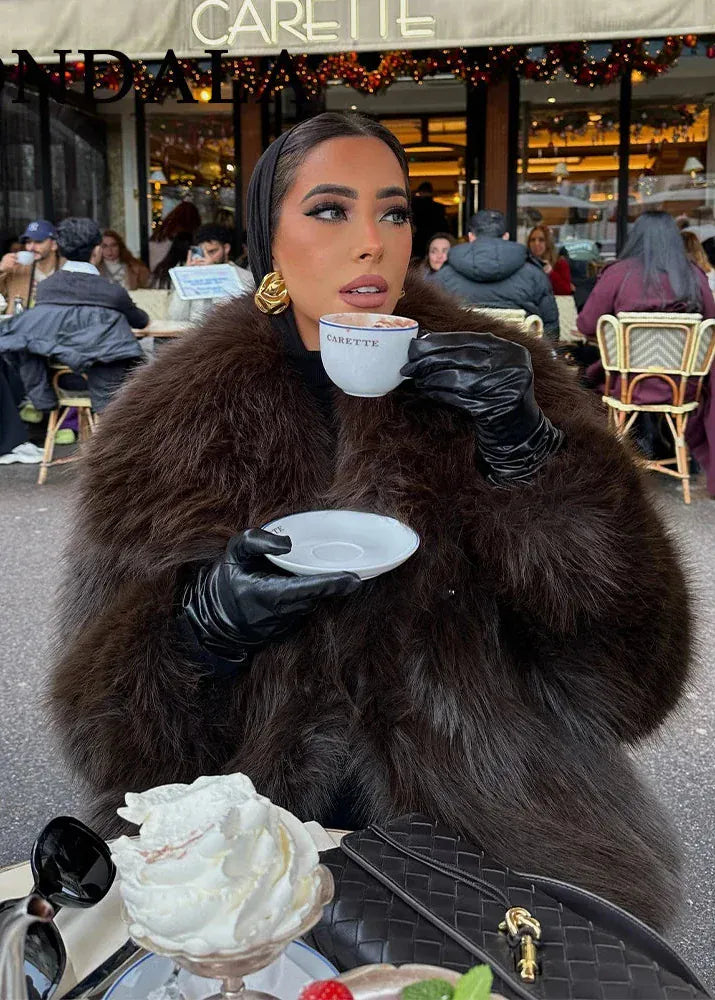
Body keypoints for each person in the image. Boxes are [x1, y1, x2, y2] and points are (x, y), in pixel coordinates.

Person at [51, 113, 690, 932]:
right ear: (266, 239)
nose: (372, 242)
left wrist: (530, 458)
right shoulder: (170, 419)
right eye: (329, 210)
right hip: (238, 849)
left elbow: (632, 685)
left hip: (506, 827)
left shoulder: (505, 379)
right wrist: (195, 634)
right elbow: (106, 743)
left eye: (392, 212)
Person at [577, 211, 715, 475]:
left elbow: (585, 325)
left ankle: (628, 447)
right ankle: (672, 447)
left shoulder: (618, 273)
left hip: (627, 384)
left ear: (635, 237)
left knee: (588, 369)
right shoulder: (693, 275)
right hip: (682, 387)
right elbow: (711, 322)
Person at [0, 218, 149, 414]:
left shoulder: (46, 289)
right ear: (97, 251)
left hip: (59, 380)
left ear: (59, 248)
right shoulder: (112, 292)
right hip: (107, 385)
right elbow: (141, 321)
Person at [436, 209, 559, 340]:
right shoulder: (535, 275)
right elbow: (551, 328)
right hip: (519, 357)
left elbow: (430, 324)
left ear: (471, 237)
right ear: (506, 236)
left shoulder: (443, 276)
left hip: (459, 357)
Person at [167, 223, 253, 324]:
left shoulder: (246, 277)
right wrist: (185, 277)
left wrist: (213, 273)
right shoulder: (193, 276)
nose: (207, 258)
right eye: (202, 253)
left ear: (226, 248)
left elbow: (232, 319)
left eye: (212, 251)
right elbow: (174, 318)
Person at [0, 219, 66, 313]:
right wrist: (1, 269)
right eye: (28, 242)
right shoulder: (16, 268)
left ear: (53, 245)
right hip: (20, 326)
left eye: (38, 242)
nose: (31, 247)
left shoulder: (68, 269)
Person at [411, 181, 449, 259]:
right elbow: (444, 227)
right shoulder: (439, 208)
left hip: (418, 241)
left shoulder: (414, 206)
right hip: (434, 239)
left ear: (420, 192)